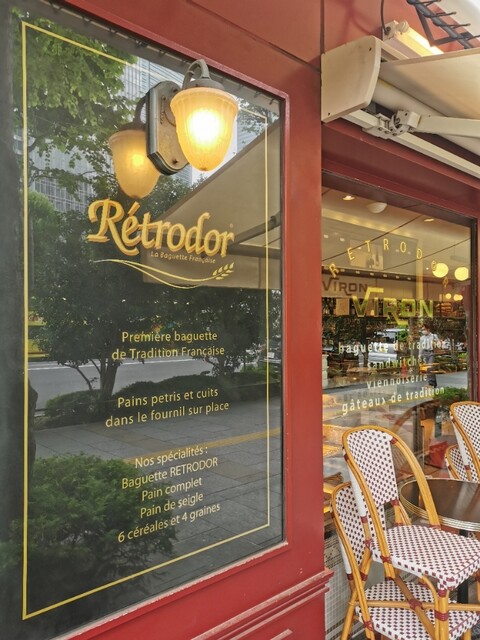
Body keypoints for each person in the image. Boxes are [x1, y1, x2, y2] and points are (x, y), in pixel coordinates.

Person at [419, 322, 439, 388]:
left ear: (428, 329)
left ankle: (431, 383)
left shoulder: (433, 336)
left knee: (430, 367)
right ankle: (432, 382)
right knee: (428, 369)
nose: (423, 331)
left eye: (424, 329)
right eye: (422, 330)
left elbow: (439, 344)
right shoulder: (422, 338)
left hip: (431, 353)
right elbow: (421, 347)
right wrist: (420, 355)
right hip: (425, 353)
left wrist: (437, 343)